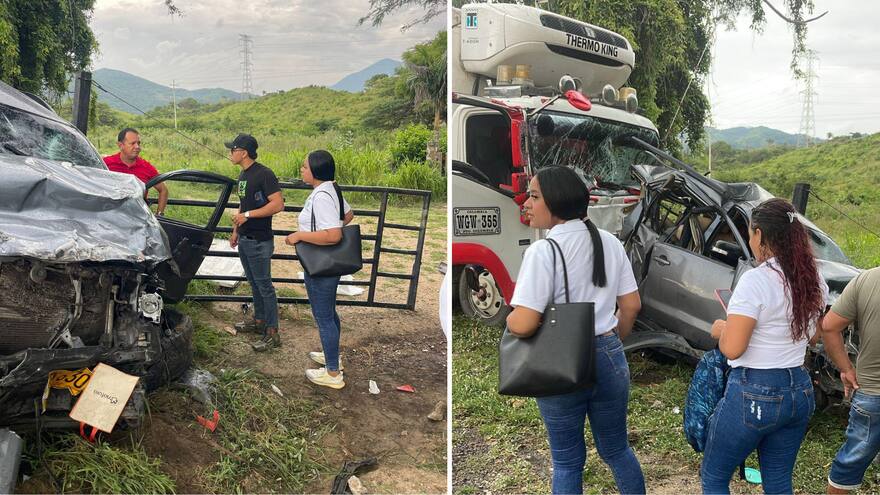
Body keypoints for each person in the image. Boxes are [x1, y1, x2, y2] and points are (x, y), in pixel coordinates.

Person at [505, 166, 644, 495]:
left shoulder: (543, 251)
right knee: (617, 449)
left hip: (560, 361)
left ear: (556, 201)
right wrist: (610, 343)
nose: (526, 202)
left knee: (567, 461)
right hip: (610, 355)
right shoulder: (610, 242)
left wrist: (510, 319)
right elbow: (632, 306)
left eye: (535, 196)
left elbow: (523, 324)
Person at [702, 198, 828, 494]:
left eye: (749, 234)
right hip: (799, 389)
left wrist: (721, 329)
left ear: (759, 234)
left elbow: (732, 349)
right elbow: (813, 337)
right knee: (779, 480)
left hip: (755, 392)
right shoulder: (813, 279)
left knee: (715, 476)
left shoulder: (755, 280)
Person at [285, 150, 354, 389]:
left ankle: (333, 374)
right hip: (329, 263)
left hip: (321, 263)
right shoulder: (331, 188)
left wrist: (300, 236)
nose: (302, 170)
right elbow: (348, 215)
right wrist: (328, 228)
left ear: (315, 170)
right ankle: (331, 355)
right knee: (329, 313)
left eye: (304, 167)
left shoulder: (321, 196)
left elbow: (334, 235)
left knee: (323, 316)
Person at [820, 266, 880, 494]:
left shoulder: (866, 280)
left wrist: (846, 368)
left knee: (849, 464)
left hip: (871, 394)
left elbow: (829, 326)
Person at [226, 133, 284, 352]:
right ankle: (259, 321)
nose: (230, 153)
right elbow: (242, 205)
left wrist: (248, 216)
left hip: (260, 240)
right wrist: (235, 230)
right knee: (254, 283)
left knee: (265, 287)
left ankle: (272, 333)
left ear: (244, 152)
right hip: (245, 239)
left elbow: (278, 204)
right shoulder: (243, 175)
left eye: (233, 149)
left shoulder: (264, 174)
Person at [104, 127, 169, 215]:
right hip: (110, 214)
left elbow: (163, 190)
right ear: (120, 145)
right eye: (132, 143)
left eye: (138, 143)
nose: (137, 147)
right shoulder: (106, 163)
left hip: (138, 217)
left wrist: (159, 215)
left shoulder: (146, 167)